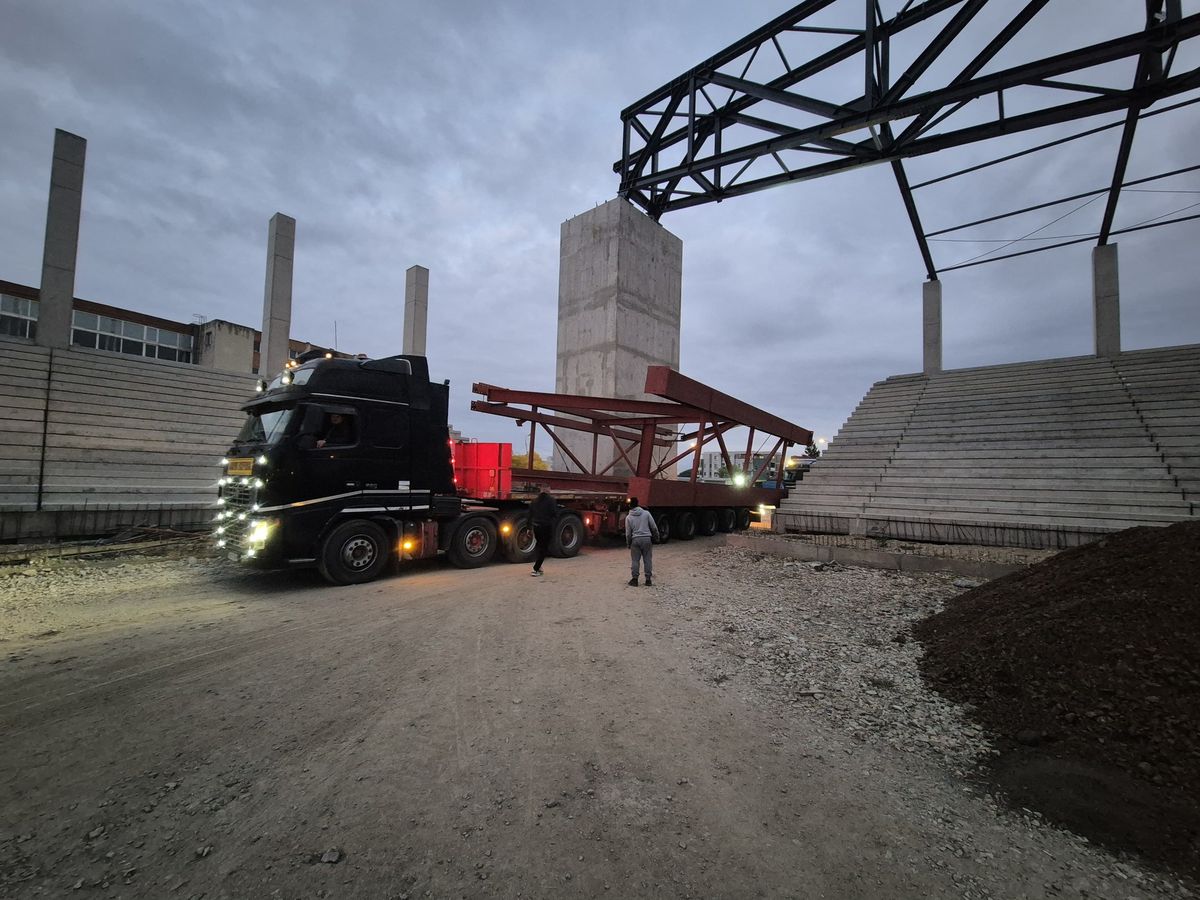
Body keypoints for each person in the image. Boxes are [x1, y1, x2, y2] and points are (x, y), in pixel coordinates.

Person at [624, 497, 660, 586]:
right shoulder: (646, 513)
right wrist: (657, 537)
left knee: (635, 560)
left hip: (635, 540)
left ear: (630, 505)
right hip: (647, 539)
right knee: (647, 559)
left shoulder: (628, 517)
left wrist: (629, 544)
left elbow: (628, 533)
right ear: (638, 503)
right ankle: (648, 580)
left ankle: (635, 579)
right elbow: (654, 527)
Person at [529, 490, 558, 577]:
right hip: (546, 526)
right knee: (544, 547)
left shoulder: (534, 501)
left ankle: (539, 566)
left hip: (536, 526)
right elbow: (554, 513)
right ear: (548, 491)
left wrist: (528, 527)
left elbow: (530, 515)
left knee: (539, 545)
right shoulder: (551, 500)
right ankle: (536, 568)